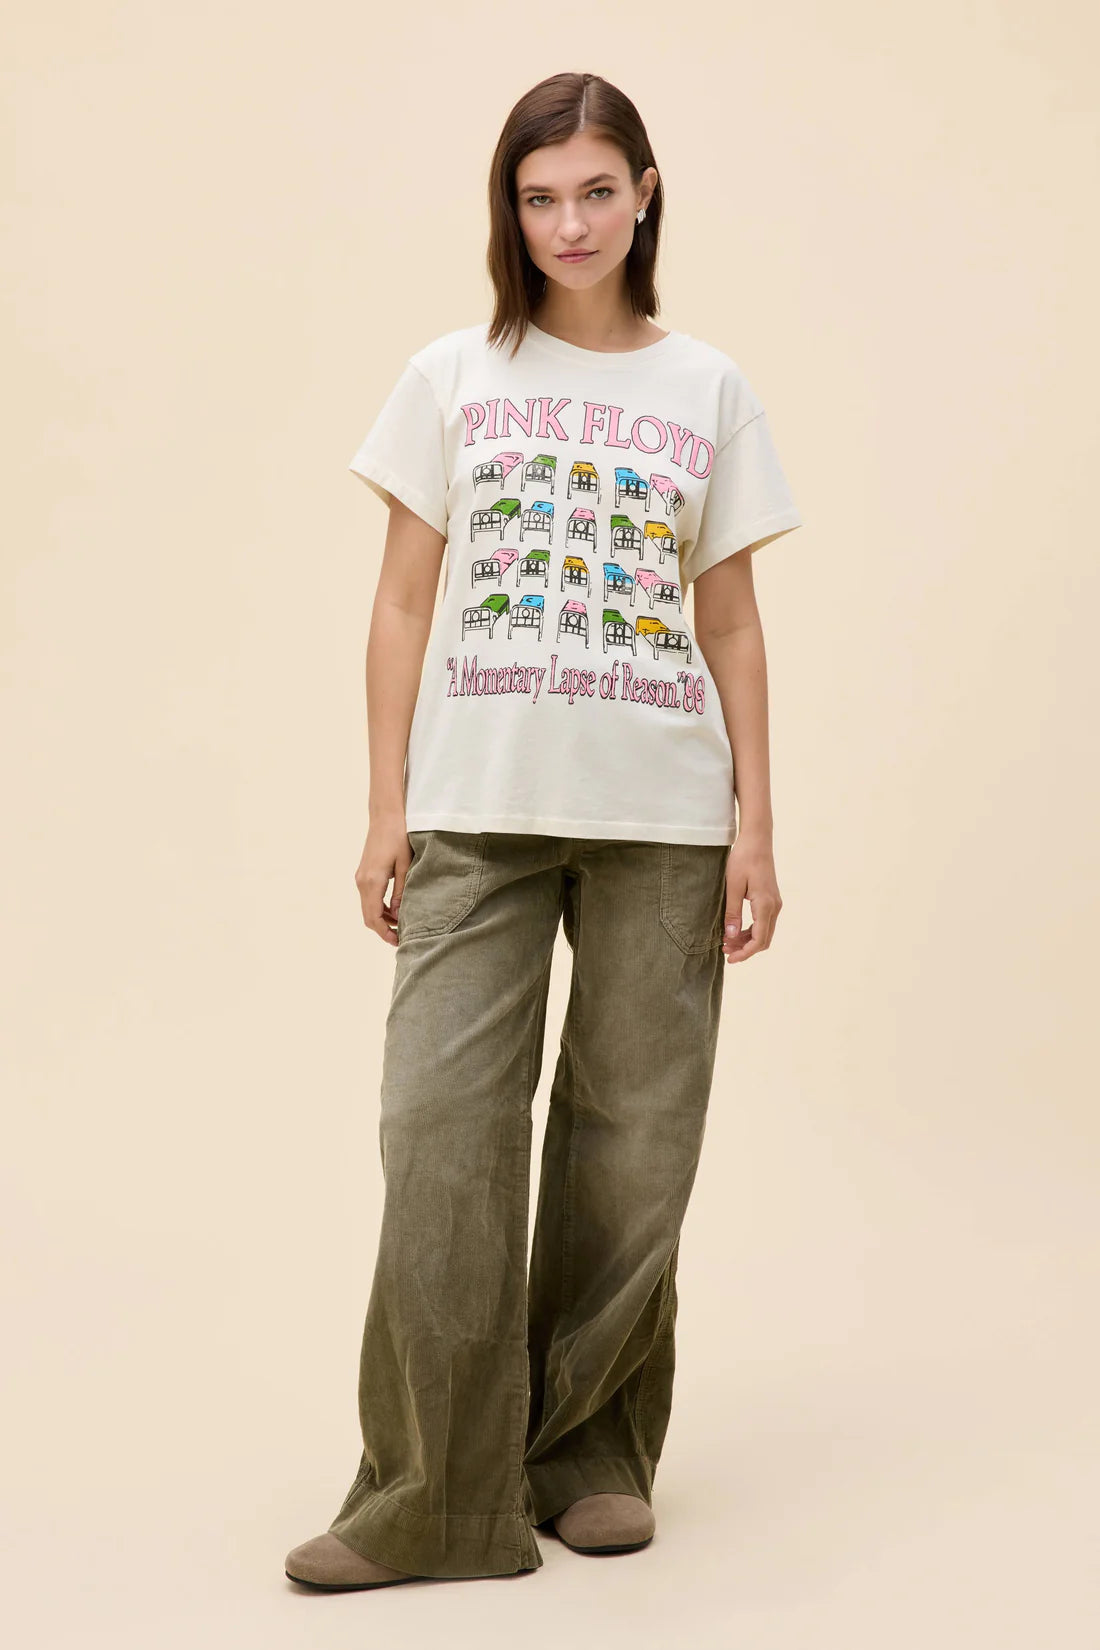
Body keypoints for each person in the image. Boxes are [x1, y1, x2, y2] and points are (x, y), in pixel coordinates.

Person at [285, 70, 803, 1592]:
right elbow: (401, 602)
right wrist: (385, 803)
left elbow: (731, 621)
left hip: (664, 815)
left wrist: (757, 826)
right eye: (538, 196)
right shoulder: (454, 375)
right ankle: (435, 1496)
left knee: (632, 1151)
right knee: (439, 1130)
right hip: (476, 807)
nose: (569, 223)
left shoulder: (708, 388)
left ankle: (586, 1454)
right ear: (508, 211)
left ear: (646, 193)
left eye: (595, 190)